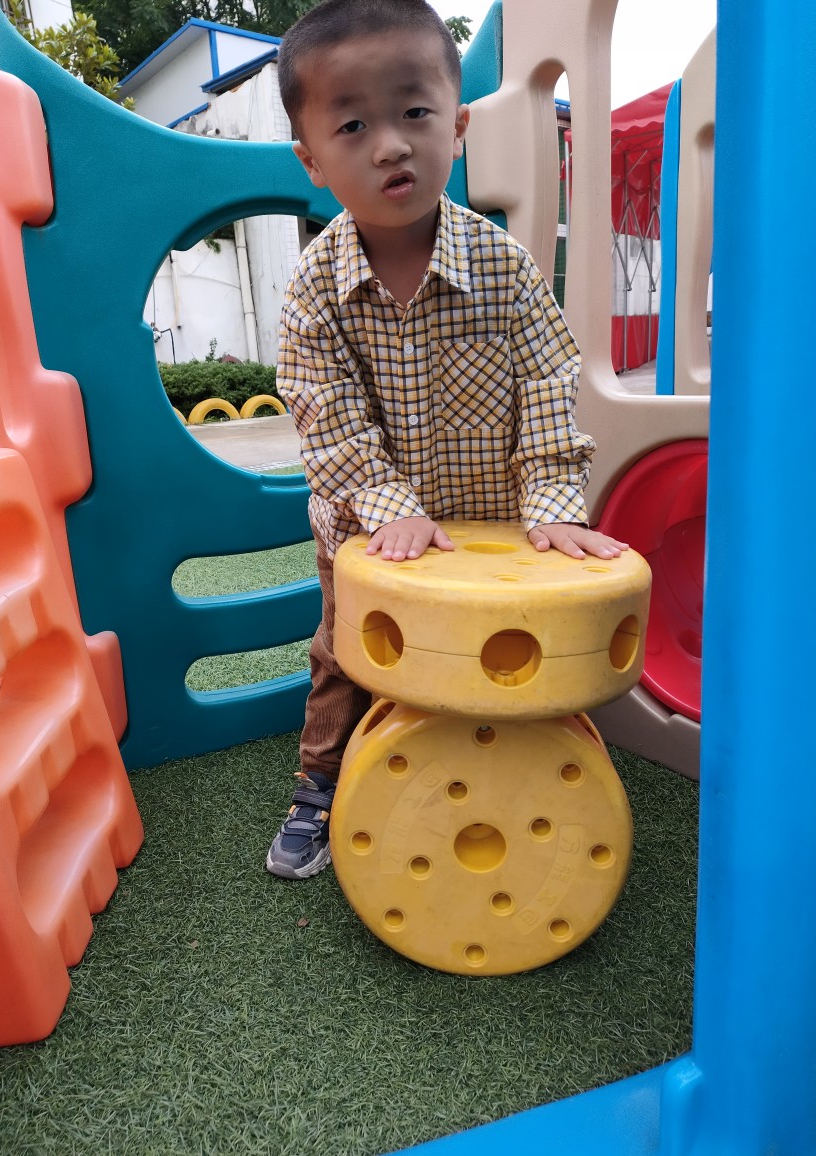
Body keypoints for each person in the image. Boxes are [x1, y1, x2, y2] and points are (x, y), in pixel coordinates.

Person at [265, 0, 627, 880]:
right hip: (365, 531)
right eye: (353, 126)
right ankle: (319, 785)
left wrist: (552, 503)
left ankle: (512, 777)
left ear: (456, 128)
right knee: (343, 655)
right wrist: (387, 508)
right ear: (311, 160)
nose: (391, 144)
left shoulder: (503, 267)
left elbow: (548, 383)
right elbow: (324, 411)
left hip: (491, 530)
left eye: (414, 112)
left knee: (506, 648)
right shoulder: (313, 288)